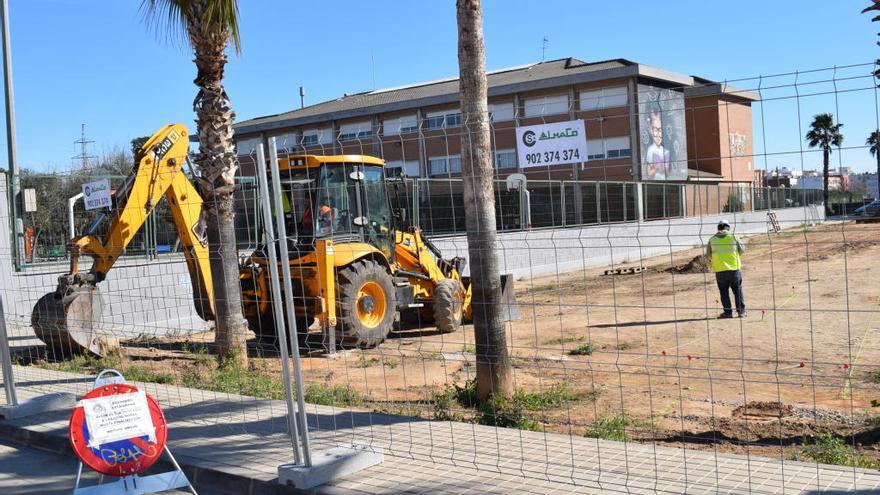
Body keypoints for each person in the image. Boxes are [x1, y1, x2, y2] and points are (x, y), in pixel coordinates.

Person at [707, 219, 746, 318]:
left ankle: (728, 313)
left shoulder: (712, 240)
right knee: (738, 291)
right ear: (728, 227)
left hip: (720, 271)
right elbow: (742, 250)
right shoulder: (733, 237)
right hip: (734, 269)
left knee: (724, 293)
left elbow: (708, 255)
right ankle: (741, 312)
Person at [644, 105, 670, 180]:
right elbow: (649, 175)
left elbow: (667, 174)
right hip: (654, 184)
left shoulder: (665, 151)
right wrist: (656, 168)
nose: (658, 134)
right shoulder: (651, 150)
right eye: (655, 130)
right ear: (651, 131)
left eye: (660, 130)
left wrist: (665, 167)